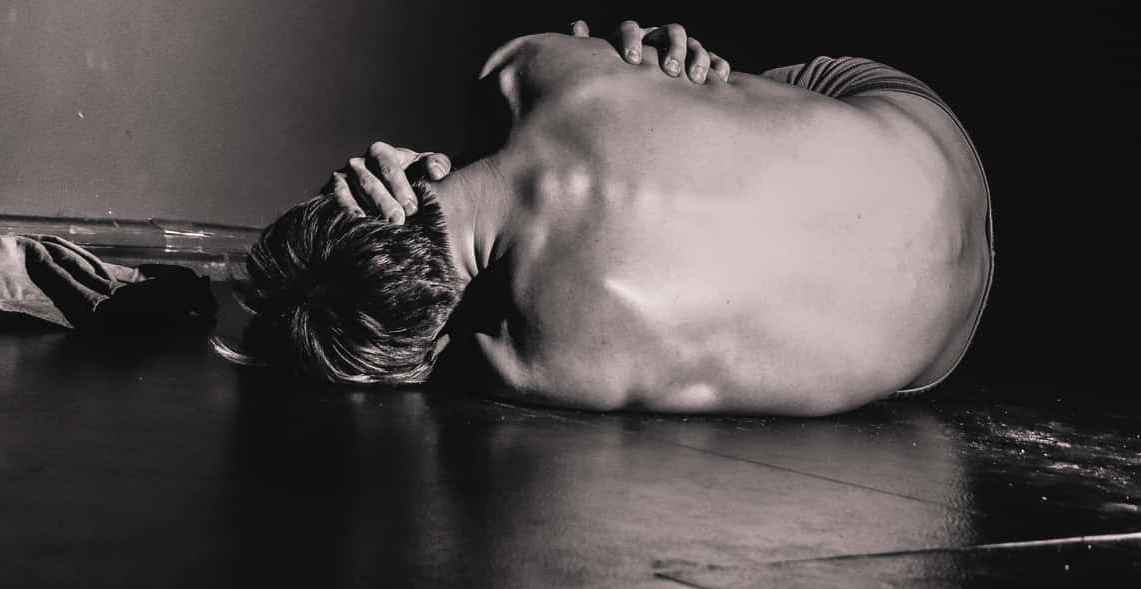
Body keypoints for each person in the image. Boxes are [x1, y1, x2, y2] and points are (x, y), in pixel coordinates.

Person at [215, 20, 993, 415]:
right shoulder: (519, 66)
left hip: (934, 349)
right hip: (932, 133)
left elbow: (410, 356)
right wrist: (658, 67)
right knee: (694, 81)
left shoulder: (529, 365)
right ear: (408, 169)